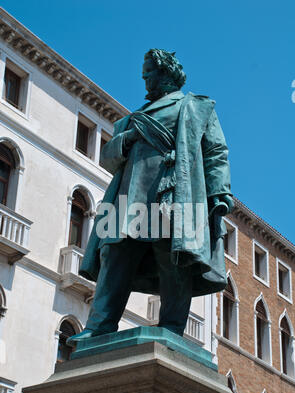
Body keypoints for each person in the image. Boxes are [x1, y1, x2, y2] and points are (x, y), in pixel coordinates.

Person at [68, 49, 234, 343]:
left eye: (149, 75)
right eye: (144, 76)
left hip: (173, 194)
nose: (145, 82)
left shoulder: (196, 107)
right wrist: (126, 139)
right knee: (114, 255)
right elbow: (108, 159)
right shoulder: (134, 118)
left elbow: (215, 152)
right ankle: (99, 324)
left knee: (172, 258)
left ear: (166, 74)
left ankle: (171, 326)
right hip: (128, 195)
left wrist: (220, 192)